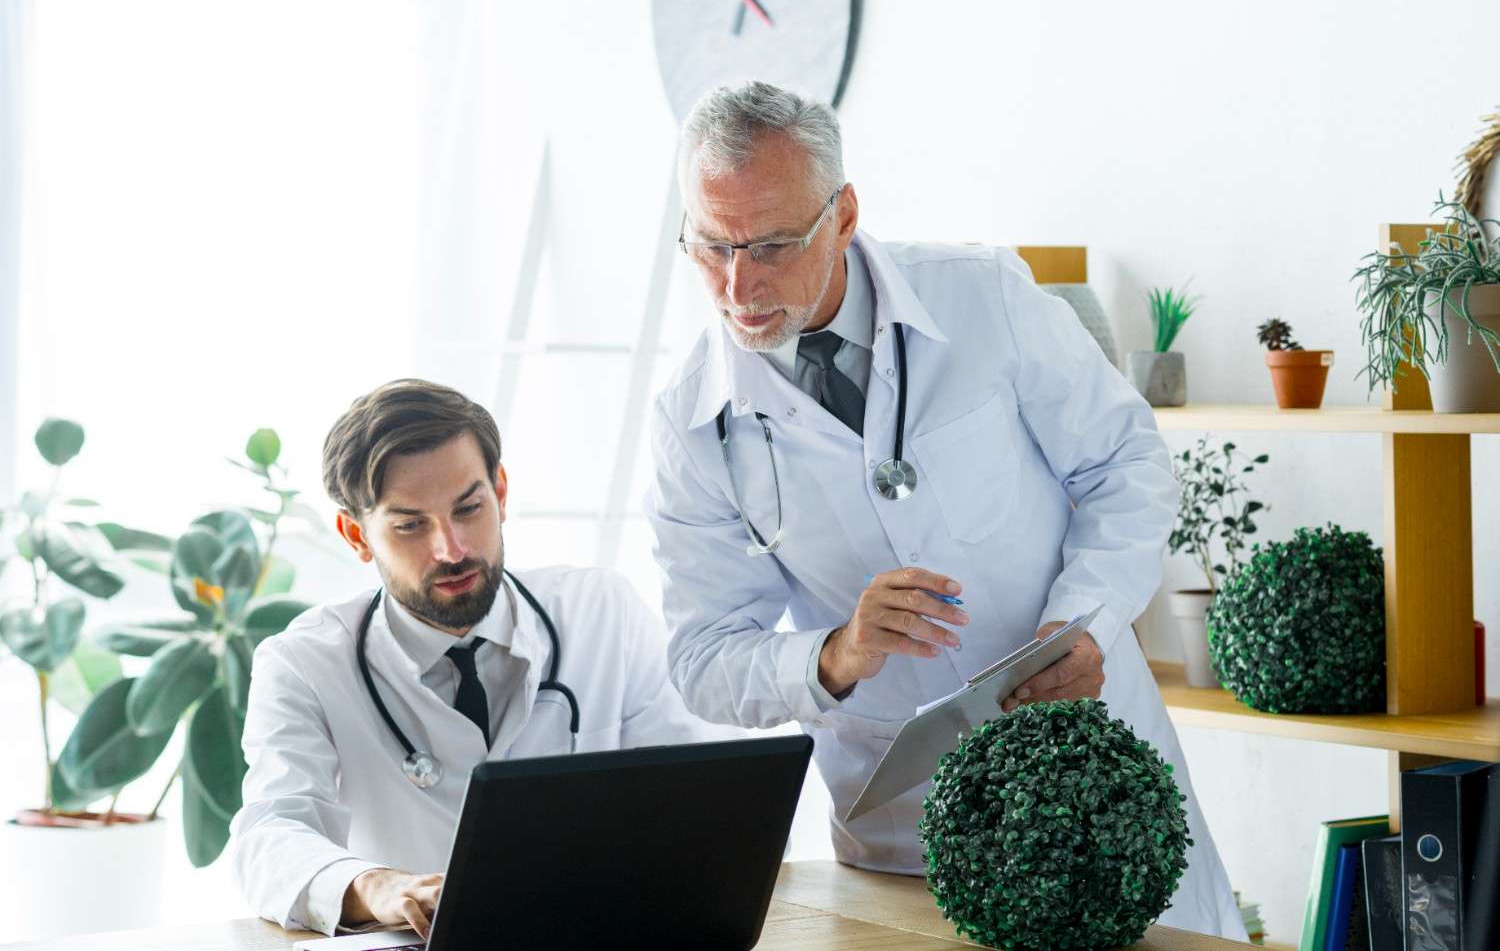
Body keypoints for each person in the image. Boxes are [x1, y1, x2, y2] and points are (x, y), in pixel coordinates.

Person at [645, 81, 1248, 940]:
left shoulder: (983, 295)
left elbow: (1126, 463)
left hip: (1092, 781)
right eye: (710, 246)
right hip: (905, 834)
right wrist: (836, 654)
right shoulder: (690, 418)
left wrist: (1086, 626)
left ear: (843, 214)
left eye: (772, 243)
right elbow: (703, 658)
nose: (738, 283)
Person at [231, 379, 709, 938]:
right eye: (410, 525)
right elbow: (269, 835)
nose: (451, 549)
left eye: (469, 508)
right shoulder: (304, 664)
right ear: (356, 535)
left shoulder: (604, 613)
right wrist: (374, 885)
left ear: (500, 493)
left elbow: (694, 803)